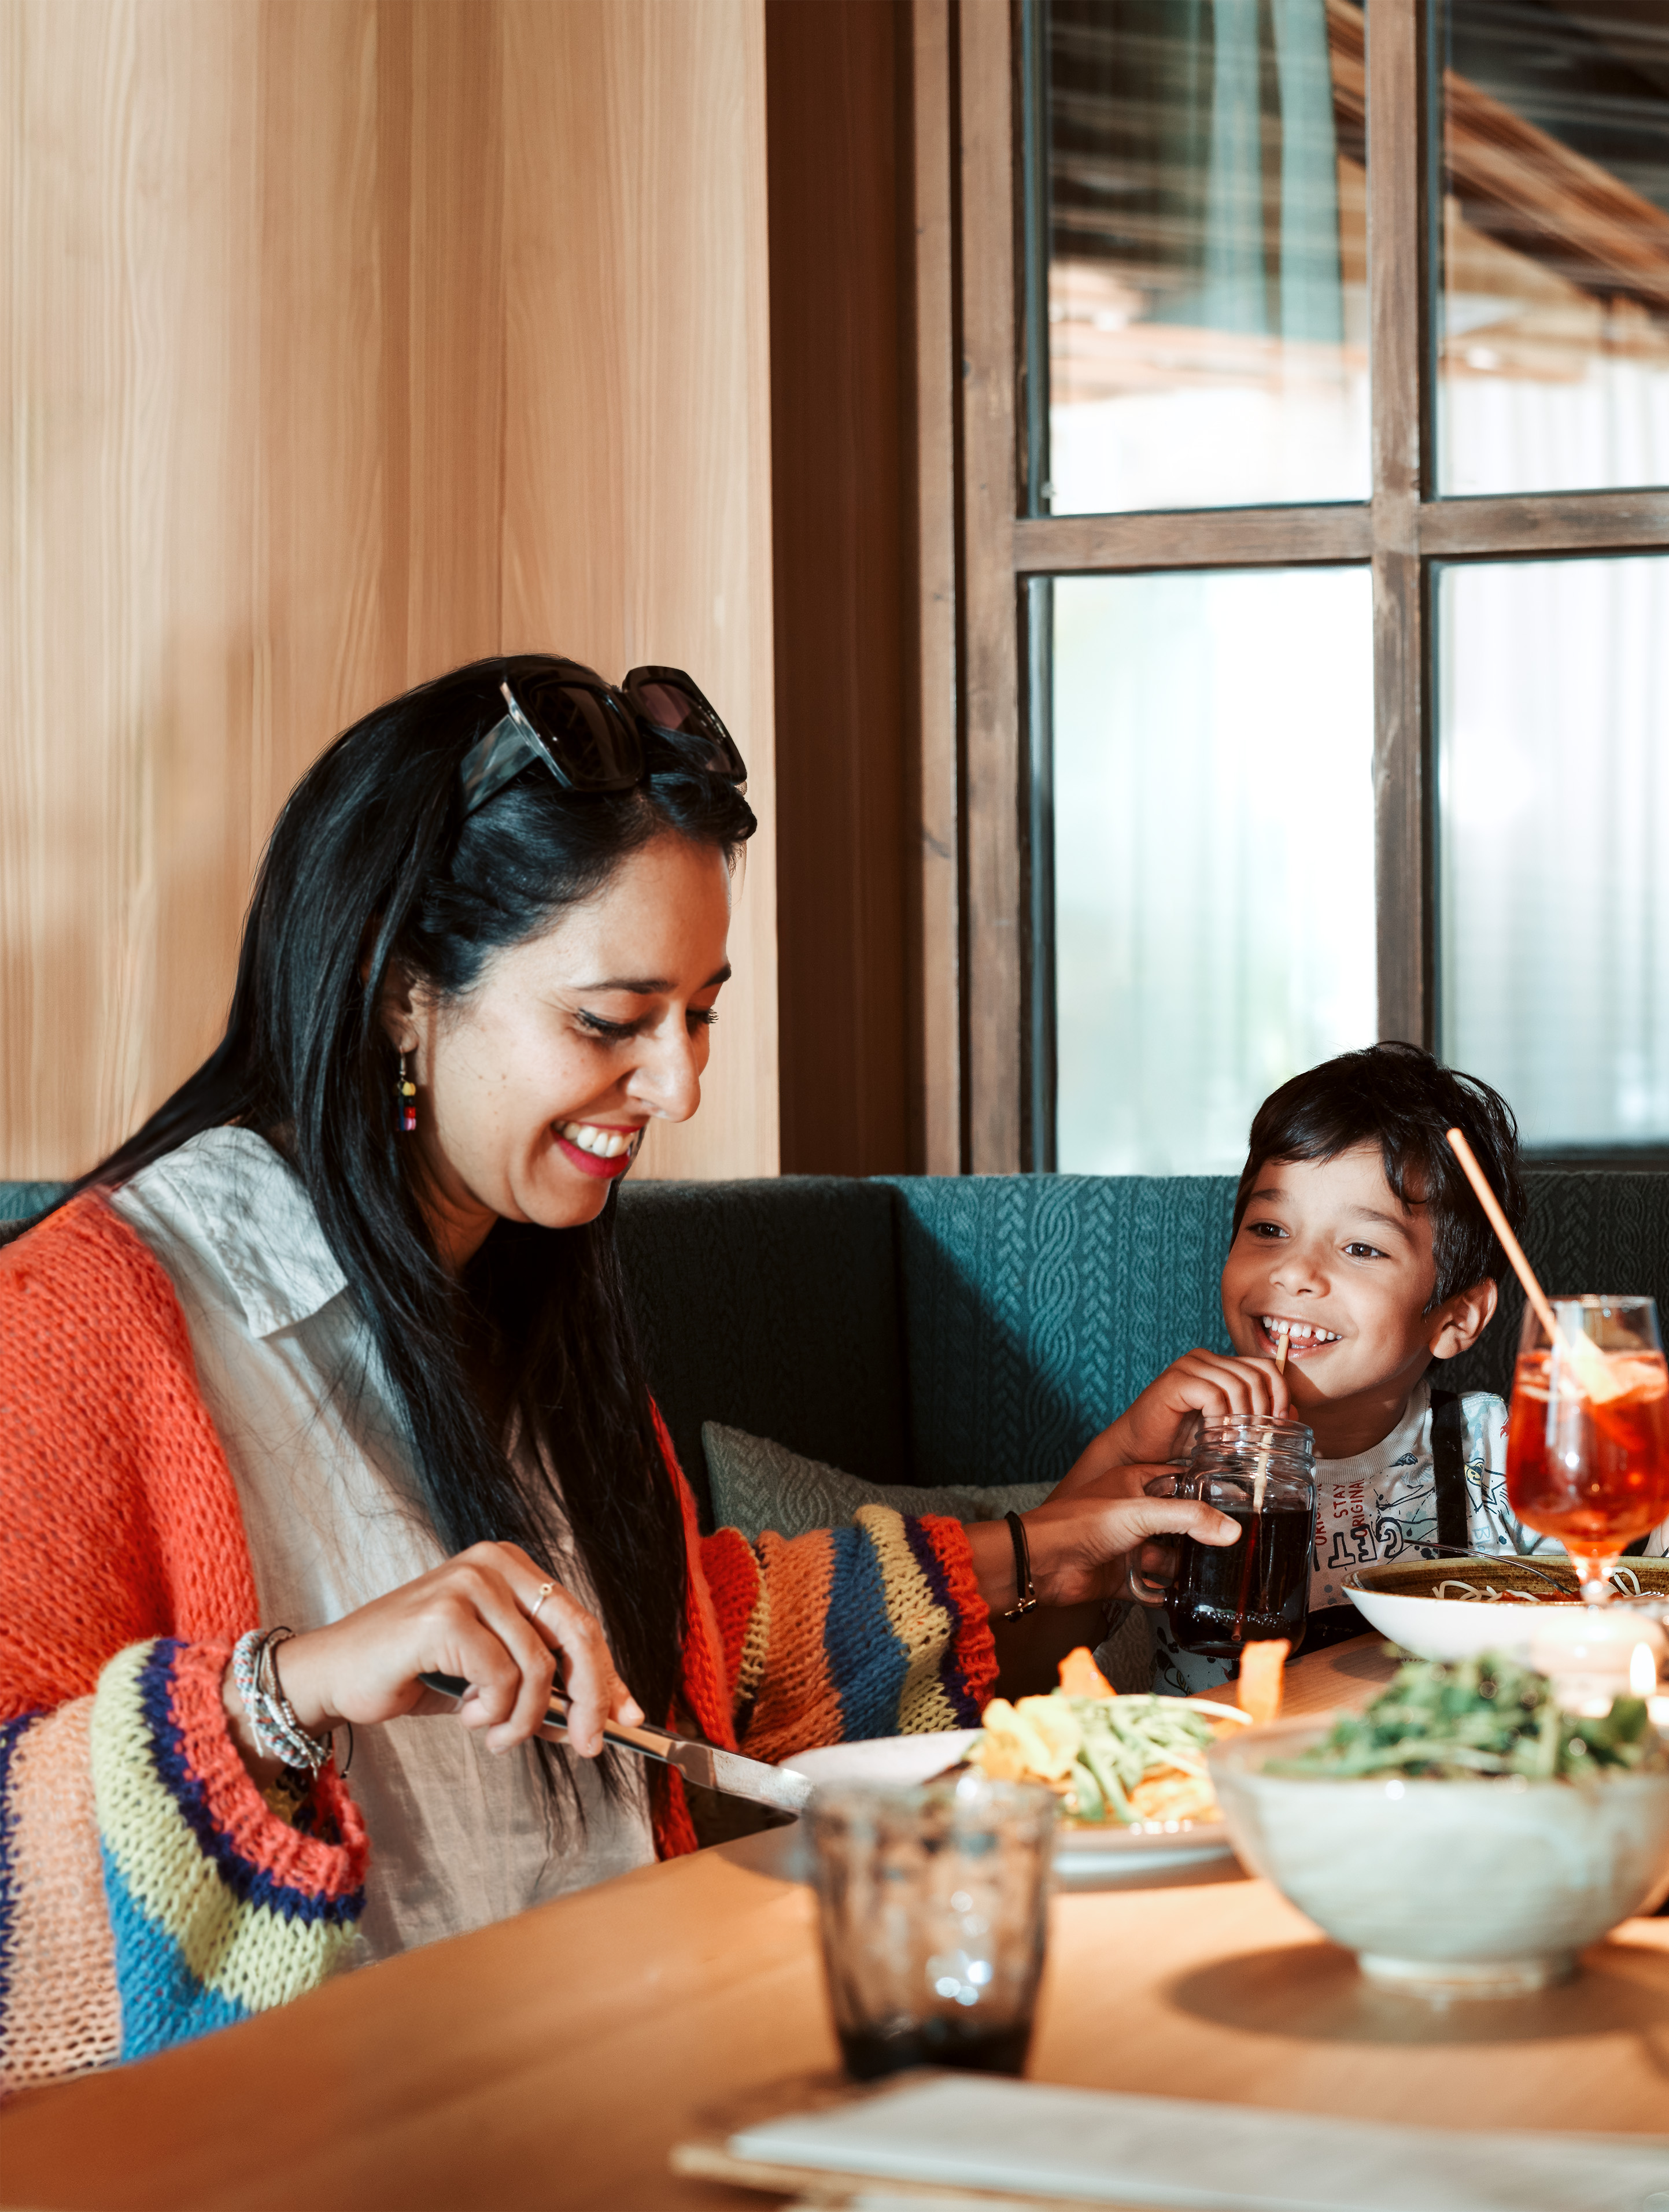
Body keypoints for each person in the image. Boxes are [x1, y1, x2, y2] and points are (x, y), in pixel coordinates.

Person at [0, 657, 1227, 2088]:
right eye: (612, 1020)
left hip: (613, 2082)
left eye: (700, 1011)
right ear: (405, 991)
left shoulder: (516, 1283)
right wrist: (290, 1689)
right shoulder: (77, 1326)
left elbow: (666, 1673)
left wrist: (1043, 1549)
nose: (679, 1088)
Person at [1074, 1045, 1558, 1692]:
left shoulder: (1498, 1447)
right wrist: (1118, 1449)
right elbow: (1019, 1652)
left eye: (1361, 1247)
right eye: (1270, 1229)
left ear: (1455, 1318)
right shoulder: (1171, 1450)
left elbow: (1598, 1622)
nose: (1295, 1272)